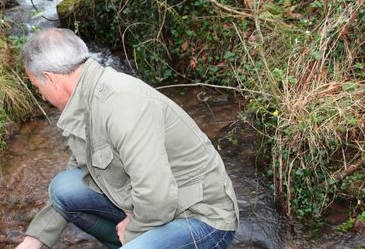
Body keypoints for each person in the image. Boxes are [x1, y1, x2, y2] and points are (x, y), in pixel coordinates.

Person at [15, 28, 239, 249]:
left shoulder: (122, 104)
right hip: (153, 207)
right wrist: (35, 240)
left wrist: (134, 230)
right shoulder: (84, 102)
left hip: (201, 217)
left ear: (51, 79)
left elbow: (156, 195)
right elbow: (79, 172)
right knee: (63, 188)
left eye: (38, 88)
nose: (42, 96)